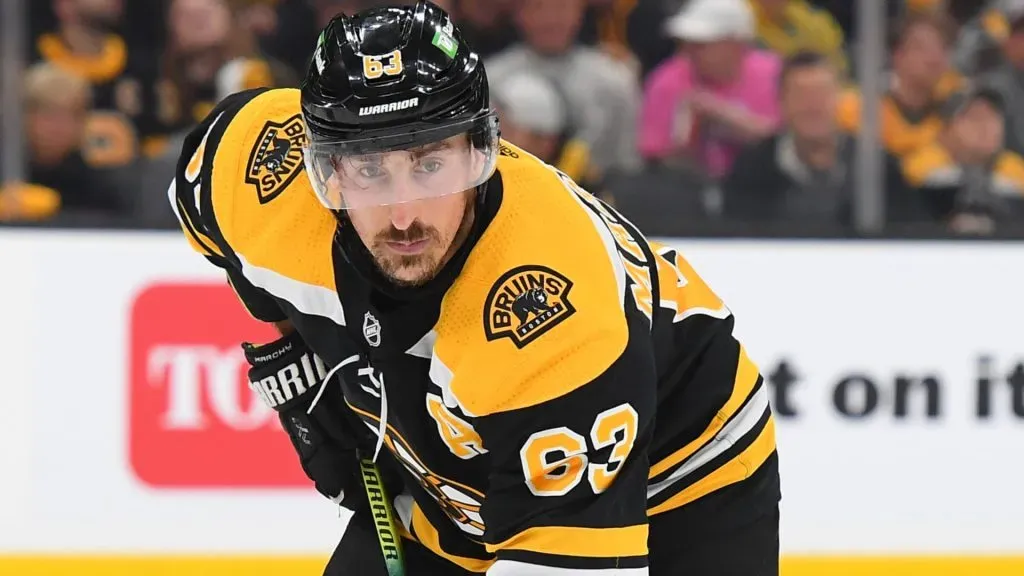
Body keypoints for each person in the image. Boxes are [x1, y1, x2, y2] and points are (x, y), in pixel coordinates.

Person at [169, 2, 780, 575]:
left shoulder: (550, 311)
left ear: (479, 150)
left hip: (679, 467)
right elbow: (214, 222)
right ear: (322, 167)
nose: (403, 214)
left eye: (430, 163)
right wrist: (293, 347)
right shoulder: (253, 173)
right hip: (457, 475)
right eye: (369, 169)